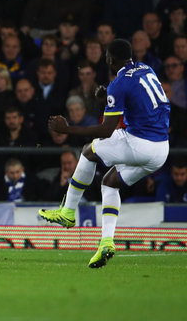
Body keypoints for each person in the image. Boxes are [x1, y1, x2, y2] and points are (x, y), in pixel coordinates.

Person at [40, 39, 170, 268]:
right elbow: (139, 100)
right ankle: (106, 242)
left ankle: (67, 211)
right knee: (110, 183)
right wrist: (107, 97)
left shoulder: (118, 84)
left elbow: (105, 129)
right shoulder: (145, 69)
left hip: (140, 142)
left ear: (110, 59)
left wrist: (66, 129)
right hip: (161, 149)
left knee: (88, 151)